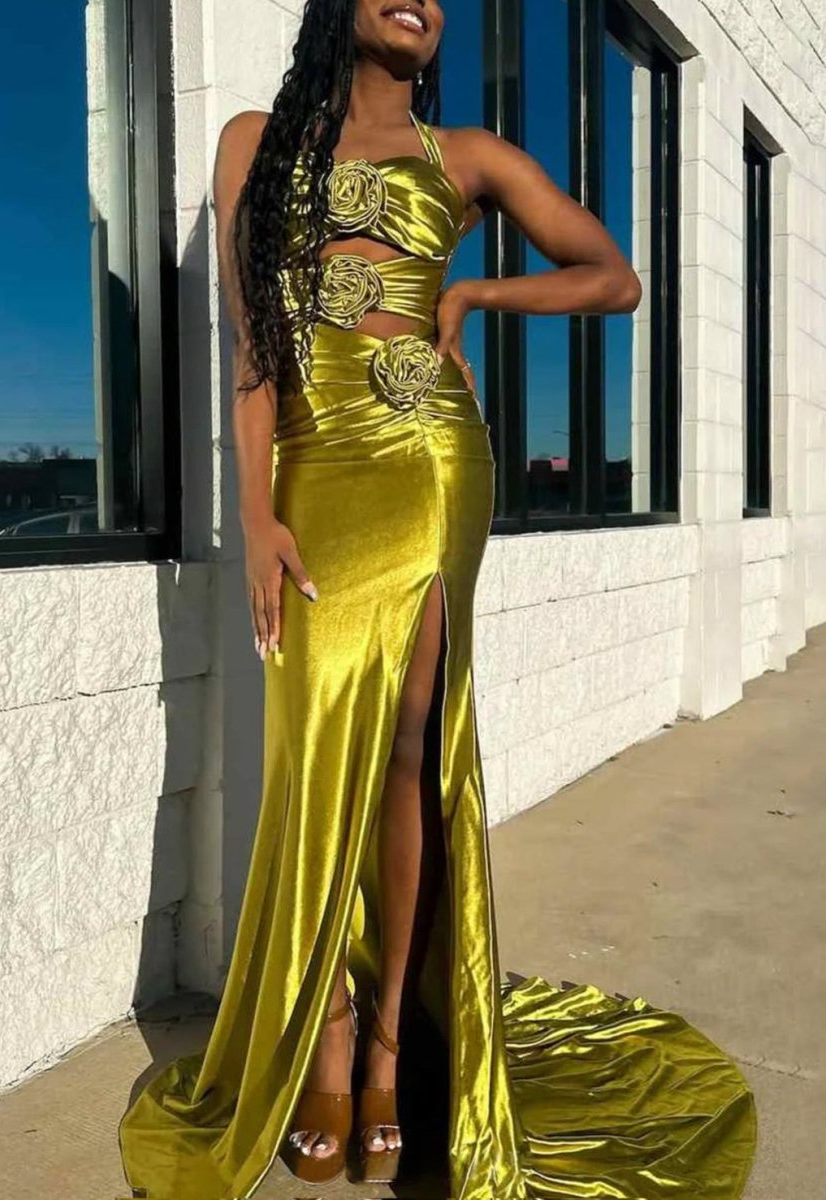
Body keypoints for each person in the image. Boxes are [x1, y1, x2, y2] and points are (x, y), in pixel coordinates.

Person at [117, 2, 757, 1198]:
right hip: (314, 465)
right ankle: (325, 1028)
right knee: (315, 746)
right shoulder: (257, 139)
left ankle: (389, 1045)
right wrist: (254, 517)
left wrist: (471, 301)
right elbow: (255, 348)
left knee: (411, 745)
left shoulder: (467, 156)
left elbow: (613, 277)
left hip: (427, 456)